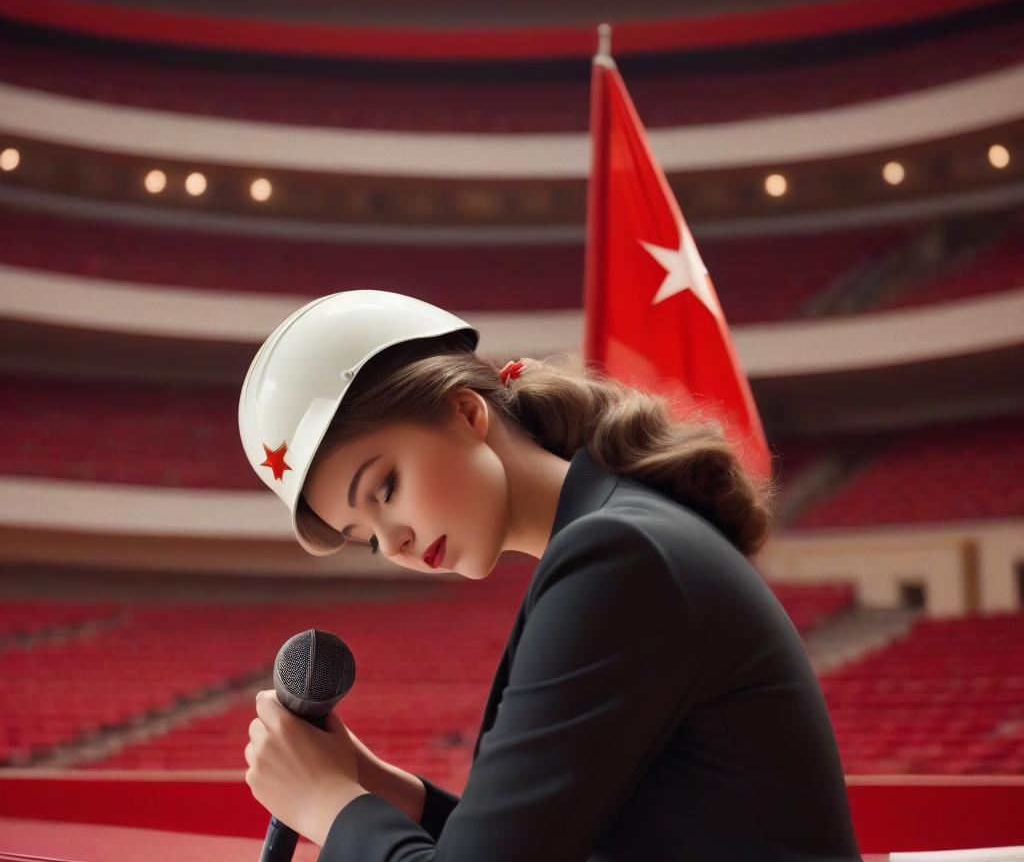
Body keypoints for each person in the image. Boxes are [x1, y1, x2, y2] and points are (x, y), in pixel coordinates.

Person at [238, 289, 863, 861]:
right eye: (366, 539)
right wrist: (375, 788)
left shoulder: (617, 558)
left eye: (386, 487)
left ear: (464, 412)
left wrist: (326, 801)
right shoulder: (618, 537)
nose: (393, 540)